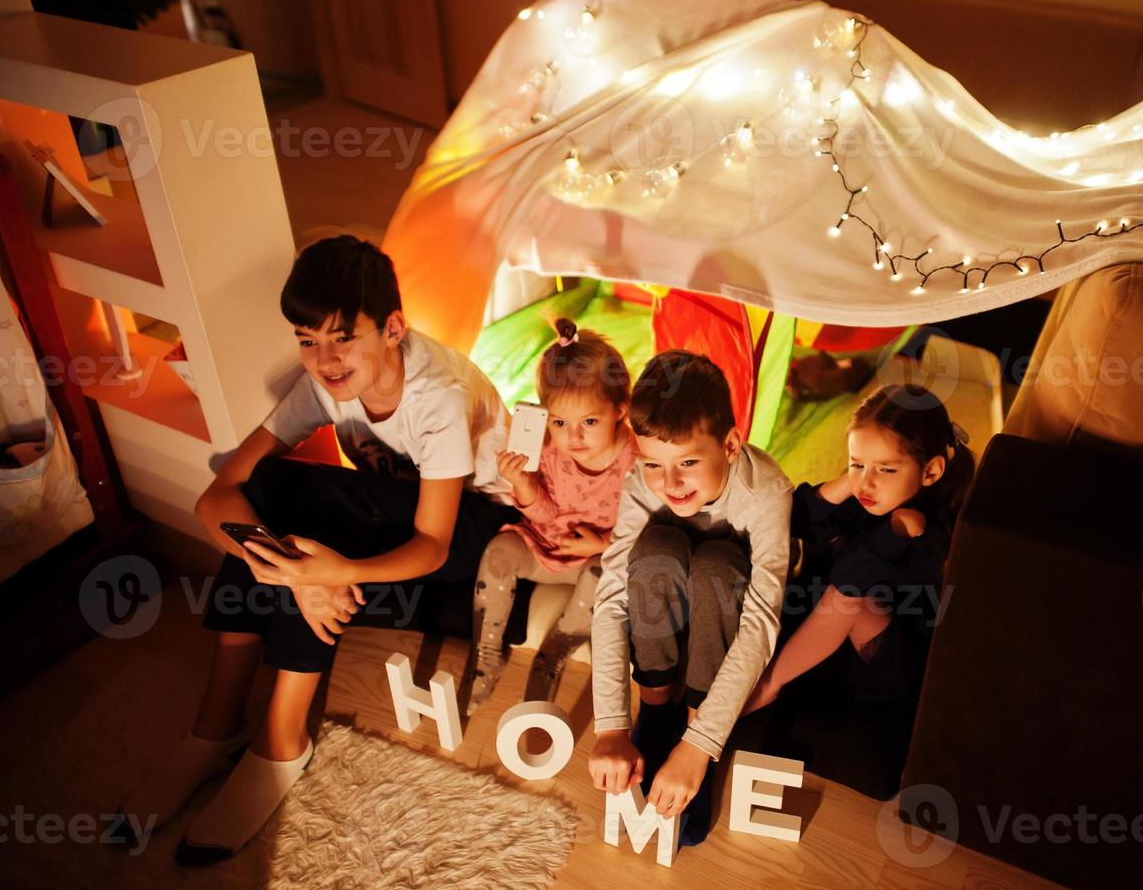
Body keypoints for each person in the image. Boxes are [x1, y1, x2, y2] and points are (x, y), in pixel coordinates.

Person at [111, 235, 514, 864]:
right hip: (390, 517)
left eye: (341, 337)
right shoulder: (324, 385)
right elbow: (218, 497)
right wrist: (300, 575)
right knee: (268, 488)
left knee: (315, 518)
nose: (324, 360)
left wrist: (330, 568)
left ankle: (280, 740)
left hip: (473, 534)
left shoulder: (438, 397)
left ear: (392, 329)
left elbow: (434, 544)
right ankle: (215, 728)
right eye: (307, 340)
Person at [586, 350, 793, 845]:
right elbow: (613, 595)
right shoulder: (644, 483)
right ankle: (657, 711)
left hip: (724, 589)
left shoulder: (767, 493)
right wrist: (611, 726)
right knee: (655, 547)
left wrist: (700, 745)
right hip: (668, 581)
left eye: (689, 463)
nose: (670, 483)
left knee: (717, 564)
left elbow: (761, 622)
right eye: (654, 464)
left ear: (730, 444)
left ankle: (694, 720)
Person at [740, 383, 973, 799]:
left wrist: (895, 529)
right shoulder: (874, 496)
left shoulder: (922, 528)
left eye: (886, 469)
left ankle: (771, 684)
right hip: (839, 652)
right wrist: (850, 481)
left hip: (893, 670)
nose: (868, 483)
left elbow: (851, 578)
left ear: (931, 471)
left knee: (847, 596)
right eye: (856, 463)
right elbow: (795, 523)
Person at [468, 316, 636, 710]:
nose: (573, 437)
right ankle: (484, 657)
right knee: (498, 552)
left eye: (589, 422)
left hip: (595, 556)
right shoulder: (549, 448)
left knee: (605, 572)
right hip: (545, 544)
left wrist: (603, 544)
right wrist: (523, 484)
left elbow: (646, 528)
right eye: (560, 422)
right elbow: (544, 514)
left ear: (620, 411)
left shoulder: (637, 461)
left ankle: (554, 652)